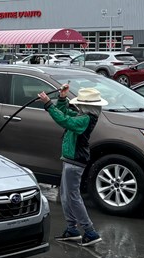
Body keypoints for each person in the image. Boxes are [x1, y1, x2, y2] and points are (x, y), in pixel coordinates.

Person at [38, 84, 103, 246]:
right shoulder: (83, 116)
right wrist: (61, 98)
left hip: (75, 161)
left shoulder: (85, 119)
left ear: (85, 105)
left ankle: (90, 232)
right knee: (66, 196)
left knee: (73, 197)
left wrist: (48, 104)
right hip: (71, 160)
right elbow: (65, 113)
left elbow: (64, 120)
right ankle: (72, 229)